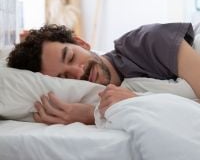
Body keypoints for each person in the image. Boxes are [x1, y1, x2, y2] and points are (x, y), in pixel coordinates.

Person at [7, 23, 200, 125]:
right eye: (65, 77)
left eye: (71, 57)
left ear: (81, 43)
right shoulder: (107, 96)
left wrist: (94, 115)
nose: (78, 72)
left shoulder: (146, 41)